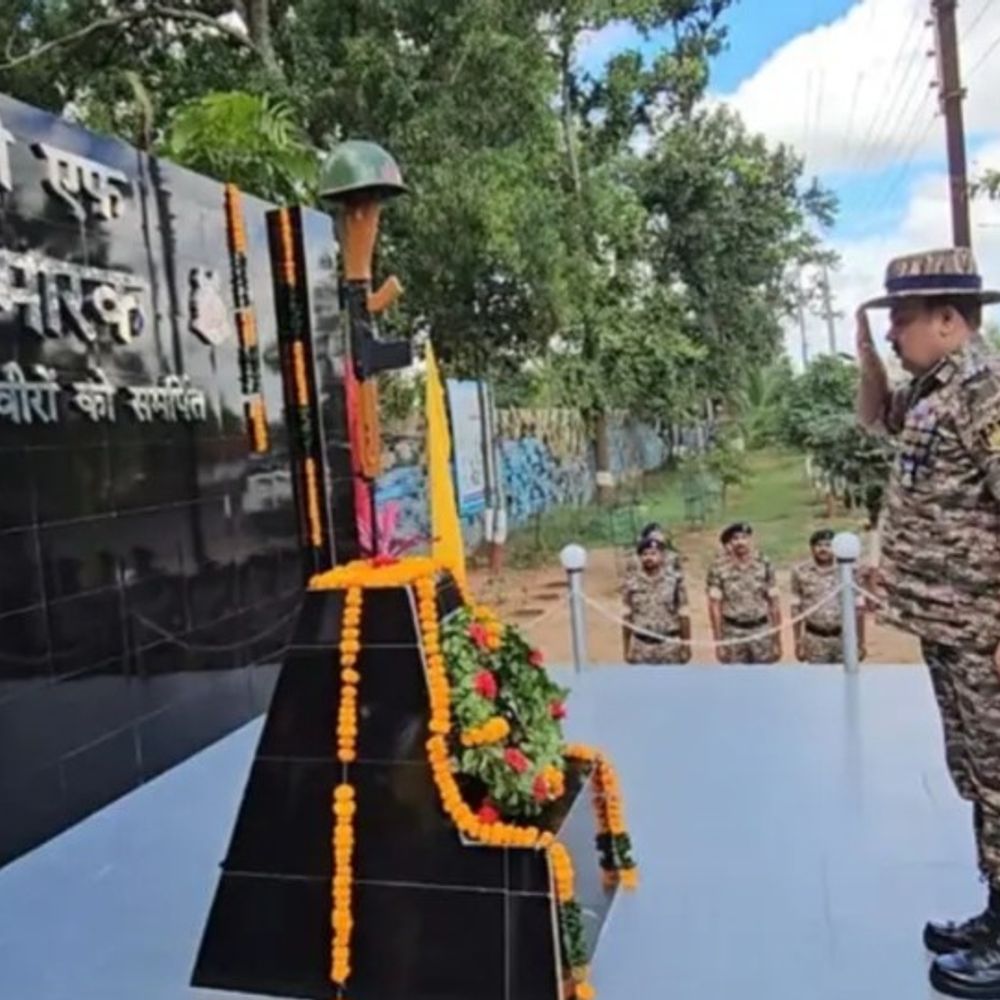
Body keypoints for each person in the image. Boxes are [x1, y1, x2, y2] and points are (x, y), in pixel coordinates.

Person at [856, 247, 1000, 998]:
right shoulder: (933, 388)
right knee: (980, 775)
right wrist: (865, 351)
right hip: (951, 627)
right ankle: (997, 913)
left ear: (948, 319)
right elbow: (874, 418)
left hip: (985, 631)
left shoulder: (985, 392)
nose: (894, 333)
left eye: (902, 320)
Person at [706, 522, 781, 664]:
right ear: (729, 543)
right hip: (733, 634)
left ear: (751, 540)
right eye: (735, 538)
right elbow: (715, 607)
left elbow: (774, 603)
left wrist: (777, 640)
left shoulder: (764, 563)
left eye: (744, 537)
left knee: (764, 676)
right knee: (735, 677)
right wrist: (719, 643)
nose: (740, 542)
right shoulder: (718, 568)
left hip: (761, 632)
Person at [790, 529, 866, 664]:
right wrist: (798, 641)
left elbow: (859, 608)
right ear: (812, 548)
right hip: (815, 640)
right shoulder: (800, 572)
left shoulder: (849, 571)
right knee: (818, 677)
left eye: (828, 545)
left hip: (843, 638)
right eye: (819, 545)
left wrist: (860, 641)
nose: (823, 549)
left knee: (844, 675)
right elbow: (796, 608)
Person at [622, 534, 691, 664]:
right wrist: (626, 648)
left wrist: (686, 646)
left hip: (669, 648)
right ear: (639, 557)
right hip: (641, 648)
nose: (649, 558)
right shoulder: (631, 583)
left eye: (653, 553)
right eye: (645, 554)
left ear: (662, 556)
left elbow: (684, 615)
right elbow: (627, 617)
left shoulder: (675, 582)